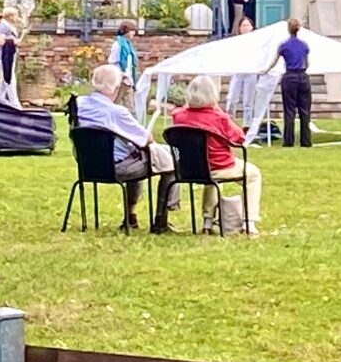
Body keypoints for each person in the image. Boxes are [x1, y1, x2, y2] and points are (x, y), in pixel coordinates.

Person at [76, 64, 176, 231]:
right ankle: (161, 219)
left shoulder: (79, 104)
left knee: (134, 154)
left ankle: (131, 216)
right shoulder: (117, 113)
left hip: (88, 166)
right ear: (116, 87)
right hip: (116, 168)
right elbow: (146, 139)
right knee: (169, 164)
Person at [172, 73, 261, 235]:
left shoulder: (178, 116)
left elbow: (184, 111)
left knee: (210, 177)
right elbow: (239, 138)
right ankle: (249, 221)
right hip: (219, 166)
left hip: (190, 167)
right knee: (253, 175)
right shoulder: (219, 117)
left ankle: (207, 221)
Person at [275, 17, 312, 147]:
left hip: (289, 77)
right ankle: (306, 141)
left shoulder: (283, 45)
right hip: (303, 77)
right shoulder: (304, 45)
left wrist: (264, 70)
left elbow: (274, 61)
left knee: (289, 110)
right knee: (305, 111)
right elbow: (307, 64)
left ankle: (289, 141)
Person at [0, 6, 21, 97]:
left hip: (9, 56)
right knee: (10, 79)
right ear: (10, 16)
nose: (17, 17)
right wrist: (14, 41)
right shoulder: (3, 26)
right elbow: (0, 41)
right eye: (16, 15)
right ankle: (15, 104)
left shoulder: (9, 26)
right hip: (3, 57)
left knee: (4, 81)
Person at [109, 20, 138, 85]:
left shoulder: (129, 46)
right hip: (120, 80)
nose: (134, 33)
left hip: (129, 81)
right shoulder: (118, 45)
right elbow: (112, 63)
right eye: (132, 31)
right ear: (126, 31)